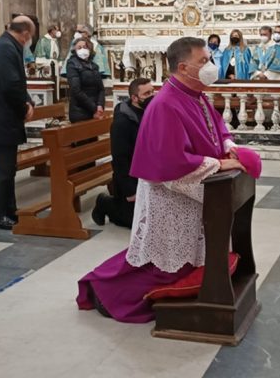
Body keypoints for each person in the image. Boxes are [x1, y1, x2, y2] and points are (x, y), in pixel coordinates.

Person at [76, 37, 247, 323]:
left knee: (185, 261)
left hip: (190, 196)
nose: (211, 66)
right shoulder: (166, 103)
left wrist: (229, 146)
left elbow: (216, 127)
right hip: (169, 198)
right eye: (203, 61)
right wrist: (218, 163)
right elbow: (171, 162)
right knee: (163, 265)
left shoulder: (196, 94)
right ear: (183, 67)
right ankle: (104, 290)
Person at [0, 16, 36, 230]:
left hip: (5, 119)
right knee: (2, 170)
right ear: (26, 33)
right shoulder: (4, 48)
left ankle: (9, 210)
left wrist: (27, 100)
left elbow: (18, 83)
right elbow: (10, 85)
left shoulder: (9, 46)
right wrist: (24, 107)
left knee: (8, 168)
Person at [92, 77, 155, 228]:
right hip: (128, 178)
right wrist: (130, 190)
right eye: (147, 94)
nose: (152, 96)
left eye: (153, 91)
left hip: (146, 174)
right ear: (134, 98)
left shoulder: (149, 112)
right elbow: (120, 159)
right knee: (135, 223)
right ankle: (104, 203)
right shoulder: (122, 123)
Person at [66, 37, 105, 123]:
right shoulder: (72, 64)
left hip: (95, 111)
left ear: (90, 49)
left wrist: (100, 105)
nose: (82, 49)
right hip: (80, 111)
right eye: (79, 48)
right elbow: (76, 90)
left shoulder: (94, 66)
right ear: (74, 51)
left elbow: (101, 89)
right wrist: (94, 108)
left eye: (85, 47)